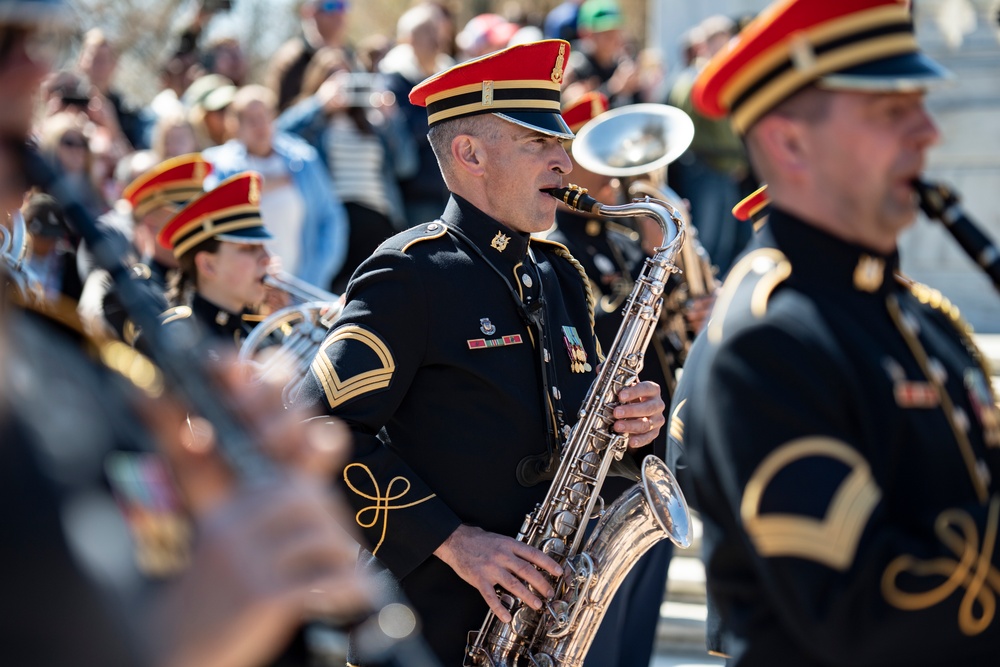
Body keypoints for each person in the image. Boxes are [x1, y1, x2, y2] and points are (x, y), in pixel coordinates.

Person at [294, 39, 667, 666]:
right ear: (469, 154)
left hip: (544, 619)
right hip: (432, 621)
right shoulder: (409, 273)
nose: (565, 165)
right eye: (538, 145)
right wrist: (454, 542)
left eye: (563, 146)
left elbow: (579, 431)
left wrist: (633, 427)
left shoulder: (559, 274)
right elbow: (312, 427)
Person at [675, 0, 1000, 664]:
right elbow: (867, 611)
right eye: (891, 111)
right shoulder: (766, 345)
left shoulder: (920, 318)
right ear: (790, 142)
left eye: (920, 103)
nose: (928, 132)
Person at [542, 91, 677, 667]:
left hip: (644, 438)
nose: (617, 173)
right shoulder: (556, 248)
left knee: (635, 624)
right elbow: (593, 340)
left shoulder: (615, 239)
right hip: (601, 457)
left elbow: (650, 337)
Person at [276, 46, 417, 293]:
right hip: (335, 222)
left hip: (379, 219)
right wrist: (319, 104)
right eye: (333, 78)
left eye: (347, 78)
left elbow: (406, 165)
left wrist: (391, 119)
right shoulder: (313, 123)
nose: (342, 87)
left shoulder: (372, 121)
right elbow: (279, 138)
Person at [203, 84, 348, 292]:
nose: (259, 125)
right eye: (250, 120)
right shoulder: (220, 166)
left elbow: (331, 218)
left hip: (303, 287)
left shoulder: (303, 159)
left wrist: (316, 275)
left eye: (264, 116)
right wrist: (264, 185)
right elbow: (212, 215)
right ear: (235, 125)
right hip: (245, 292)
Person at [77, 153, 211, 342]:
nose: (198, 228)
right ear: (150, 224)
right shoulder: (132, 294)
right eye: (185, 219)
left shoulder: (209, 280)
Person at [156, 170, 273, 351]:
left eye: (263, 247)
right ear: (207, 265)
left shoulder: (265, 332)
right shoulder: (179, 339)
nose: (267, 258)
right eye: (249, 248)